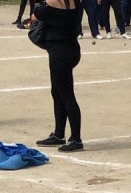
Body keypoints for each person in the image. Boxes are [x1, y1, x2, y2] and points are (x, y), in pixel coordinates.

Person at [33, 0, 84, 152]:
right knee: (57, 92)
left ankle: (76, 138)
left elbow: (34, 16)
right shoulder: (76, 3)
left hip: (59, 52)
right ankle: (59, 133)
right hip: (71, 49)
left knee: (67, 96)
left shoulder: (50, 4)